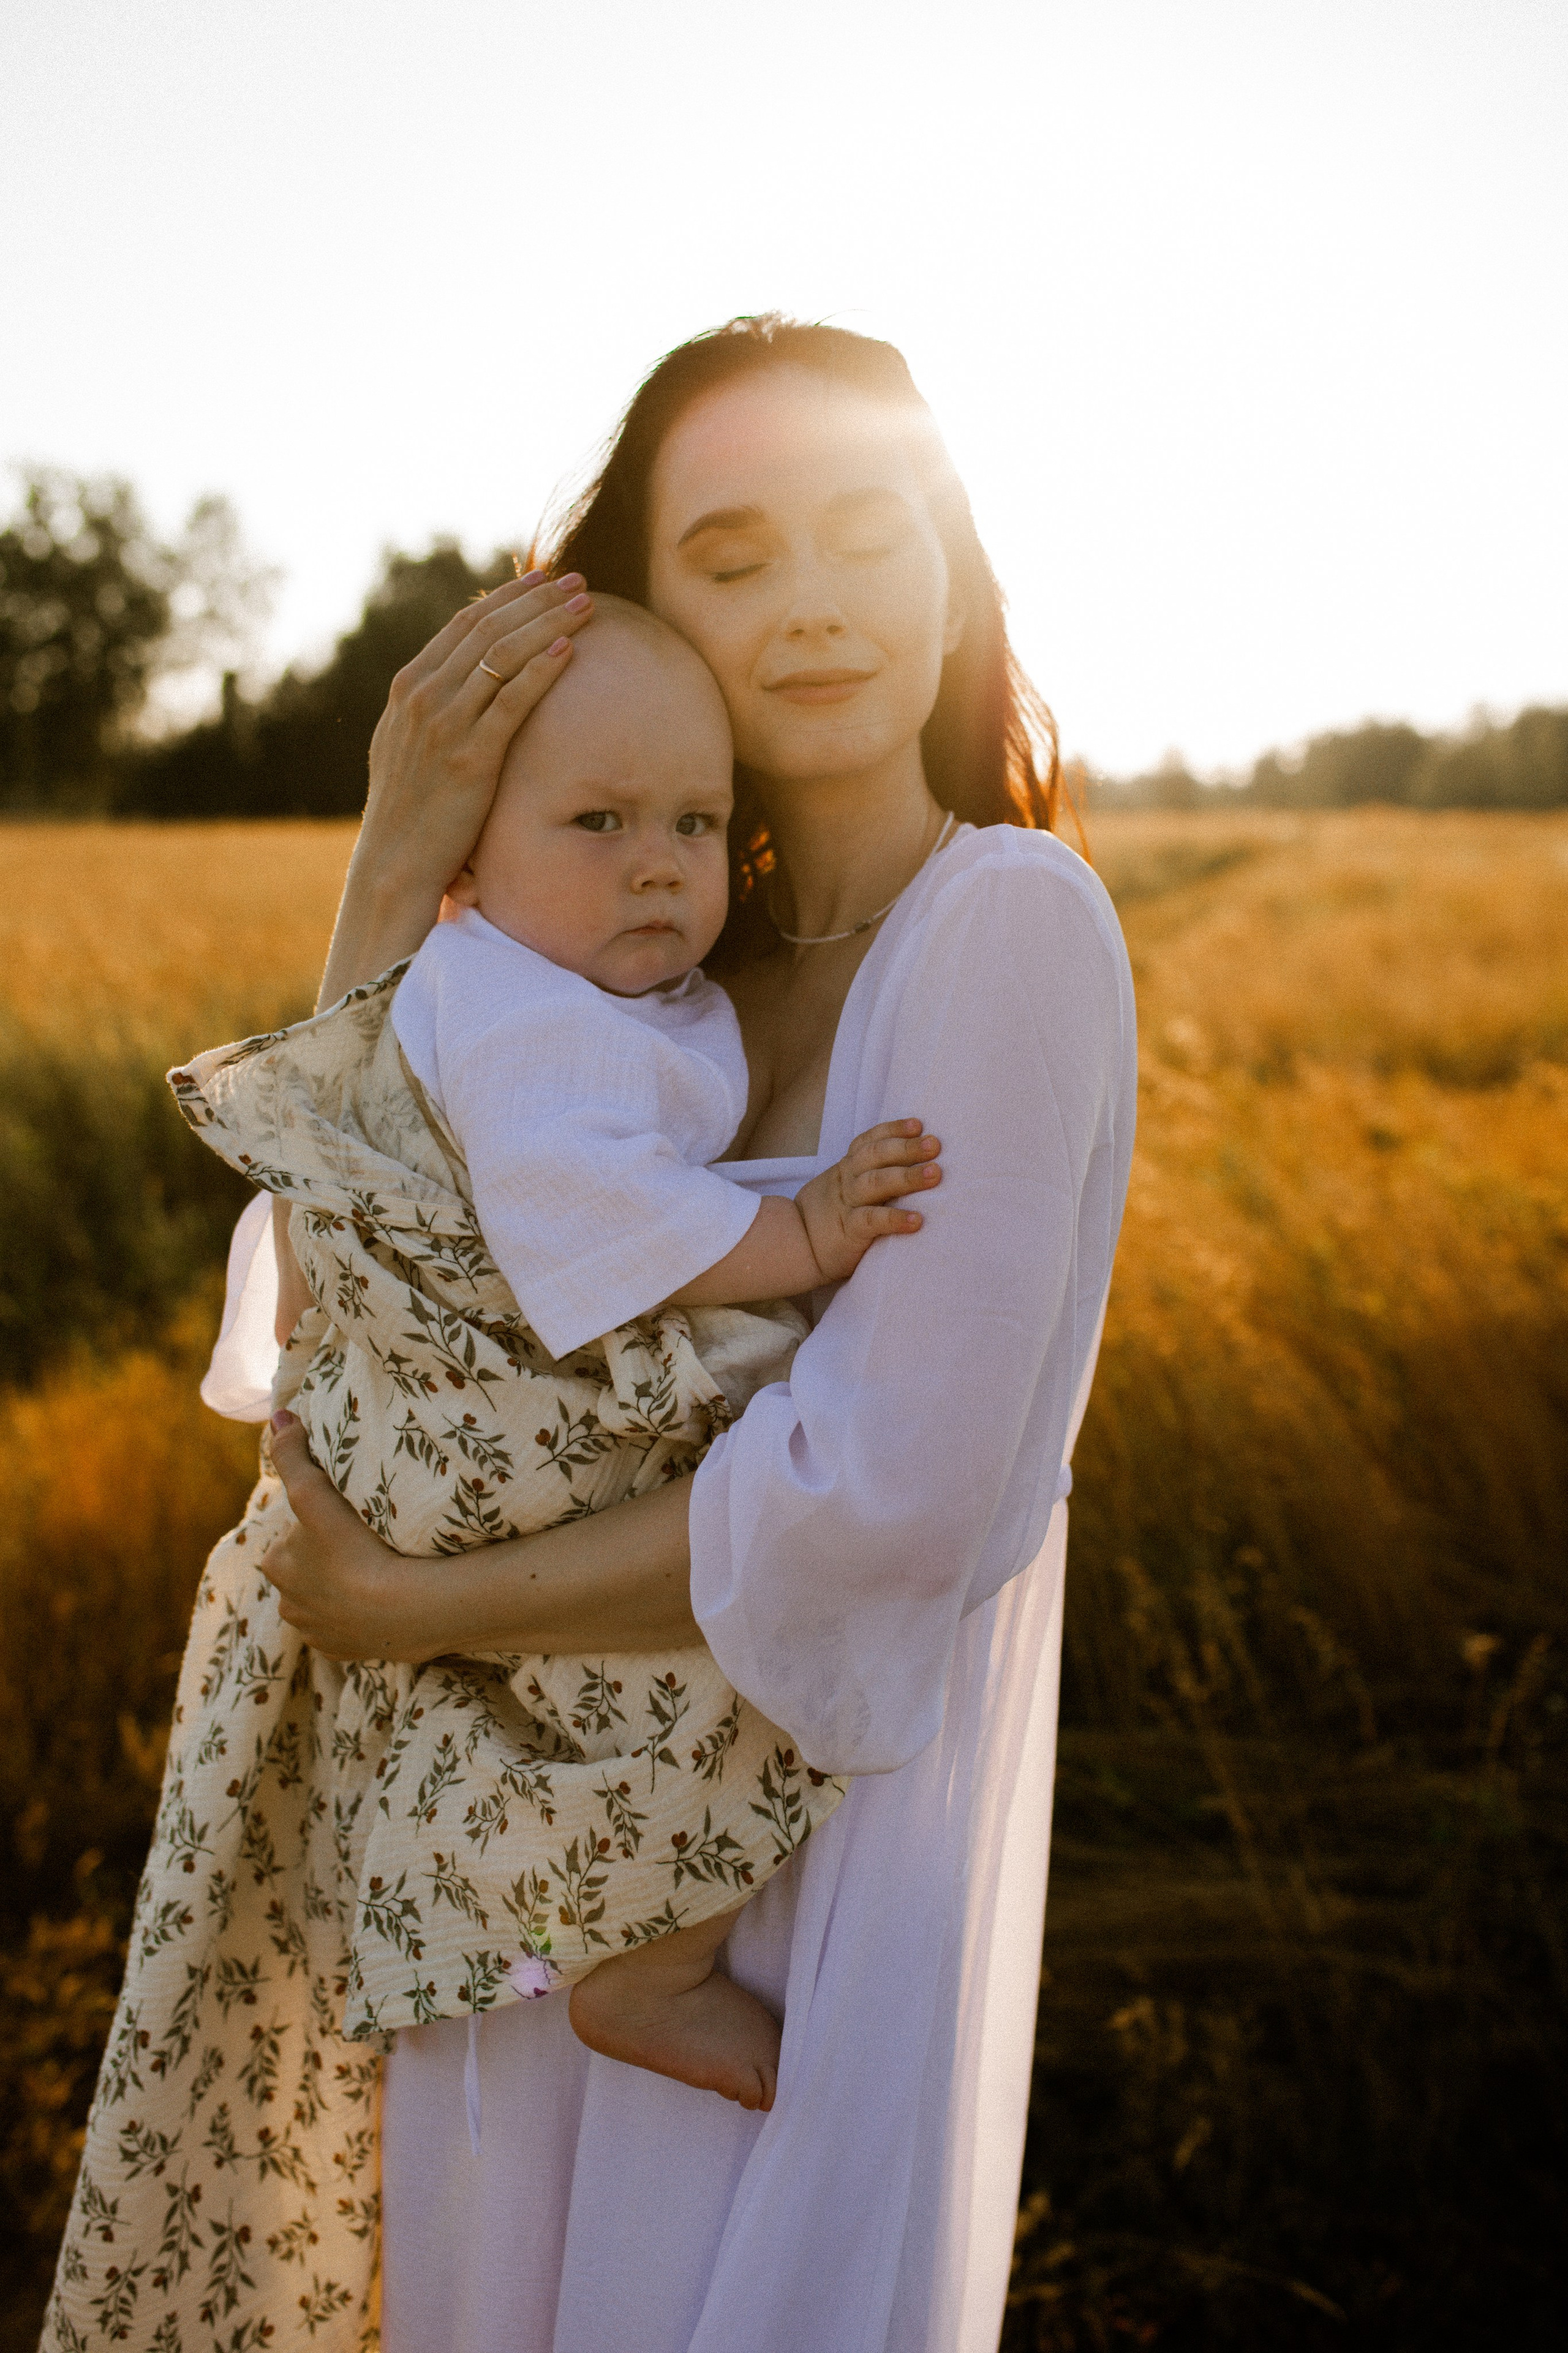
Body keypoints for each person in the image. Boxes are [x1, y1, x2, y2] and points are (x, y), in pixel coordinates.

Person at [50, 313, 1136, 2353]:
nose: (811, 604)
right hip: (537, 1840)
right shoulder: (633, 965)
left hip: (803, 1852)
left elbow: (884, 1502)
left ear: (955, 557)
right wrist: (399, 857)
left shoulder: (1003, 923)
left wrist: (419, 1604)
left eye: (865, 532)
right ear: (638, 617)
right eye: (733, 557)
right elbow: (365, 1305)